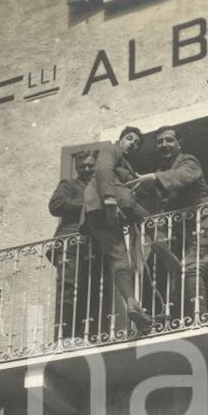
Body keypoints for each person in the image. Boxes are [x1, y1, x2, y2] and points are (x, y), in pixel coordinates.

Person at [127, 125, 208, 320]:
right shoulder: (162, 171)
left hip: (204, 224)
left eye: (168, 140)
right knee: (174, 274)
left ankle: (200, 318)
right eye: (159, 142)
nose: (163, 144)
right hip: (181, 230)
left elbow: (186, 176)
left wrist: (155, 177)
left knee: (191, 268)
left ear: (179, 143)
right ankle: (177, 318)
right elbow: (141, 195)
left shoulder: (188, 161)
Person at [81, 126, 155, 332]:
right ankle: (161, 242)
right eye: (129, 139)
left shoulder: (127, 164)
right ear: (120, 139)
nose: (133, 143)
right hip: (108, 204)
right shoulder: (110, 150)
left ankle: (132, 303)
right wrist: (110, 199)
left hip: (97, 212)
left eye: (137, 143)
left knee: (119, 259)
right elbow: (104, 169)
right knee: (154, 222)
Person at [48, 150, 98, 341]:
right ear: (76, 167)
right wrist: (88, 204)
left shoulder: (101, 187)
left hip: (93, 247)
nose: (86, 169)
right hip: (71, 241)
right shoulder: (69, 184)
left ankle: (82, 336)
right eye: (82, 166)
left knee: (89, 292)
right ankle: (62, 337)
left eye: (90, 165)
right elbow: (56, 205)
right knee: (69, 288)